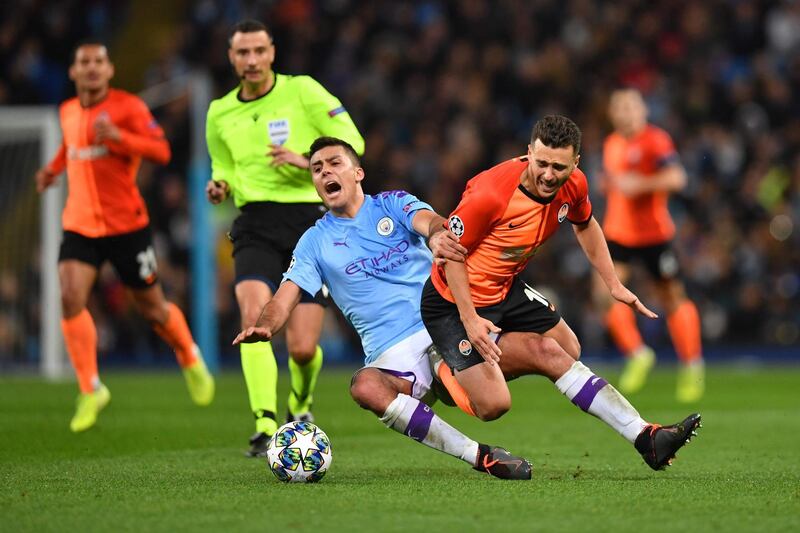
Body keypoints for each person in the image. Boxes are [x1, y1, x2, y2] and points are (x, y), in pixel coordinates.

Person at [233, 136, 531, 480]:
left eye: (334, 163)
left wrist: (436, 235)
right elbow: (284, 298)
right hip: (392, 355)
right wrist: (266, 326)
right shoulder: (314, 242)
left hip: (439, 324)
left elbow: (430, 221)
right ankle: (479, 455)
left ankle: (467, 373)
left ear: (357, 172)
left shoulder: (391, 204)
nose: (325, 172)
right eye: (317, 168)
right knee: (364, 386)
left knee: (516, 383)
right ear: (314, 182)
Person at [420, 115, 701, 471]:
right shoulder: (490, 193)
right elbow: (450, 255)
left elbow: (586, 225)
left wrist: (613, 283)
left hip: (504, 288)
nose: (549, 175)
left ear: (576, 163)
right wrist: (470, 319)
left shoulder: (575, 184)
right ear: (528, 154)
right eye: (541, 164)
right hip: (452, 302)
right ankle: (444, 367)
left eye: (559, 166)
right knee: (494, 404)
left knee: (567, 349)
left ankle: (645, 437)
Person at [34, 41, 214, 433]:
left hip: (127, 226)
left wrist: (118, 137)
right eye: (85, 62)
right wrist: (51, 171)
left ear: (110, 70)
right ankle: (90, 388)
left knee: (152, 309)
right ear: (73, 71)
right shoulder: (66, 111)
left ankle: (187, 353)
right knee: (69, 296)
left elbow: (161, 151)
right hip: (80, 224)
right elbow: (70, 147)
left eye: (100, 62)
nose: (93, 68)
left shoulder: (128, 107)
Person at [205, 20, 365, 456]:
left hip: (310, 225)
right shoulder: (219, 112)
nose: (252, 60)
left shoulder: (303, 91)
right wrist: (220, 184)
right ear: (232, 57)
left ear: (272, 52)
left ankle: (301, 401)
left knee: (301, 347)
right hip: (254, 222)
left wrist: (307, 159)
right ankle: (263, 423)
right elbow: (222, 166)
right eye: (243, 52)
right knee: (255, 319)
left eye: (259, 50)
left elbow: (354, 144)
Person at [594, 88, 705, 402]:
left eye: (630, 106)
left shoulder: (656, 140)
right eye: (618, 107)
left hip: (655, 234)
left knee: (672, 298)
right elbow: (615, 183)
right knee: (604, 294)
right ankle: (638, 353)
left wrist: (639, 184)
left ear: (643, 110)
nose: (624, 112)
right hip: (619, 234)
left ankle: (692, 367)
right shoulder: (611, 143)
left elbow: (677, 178)